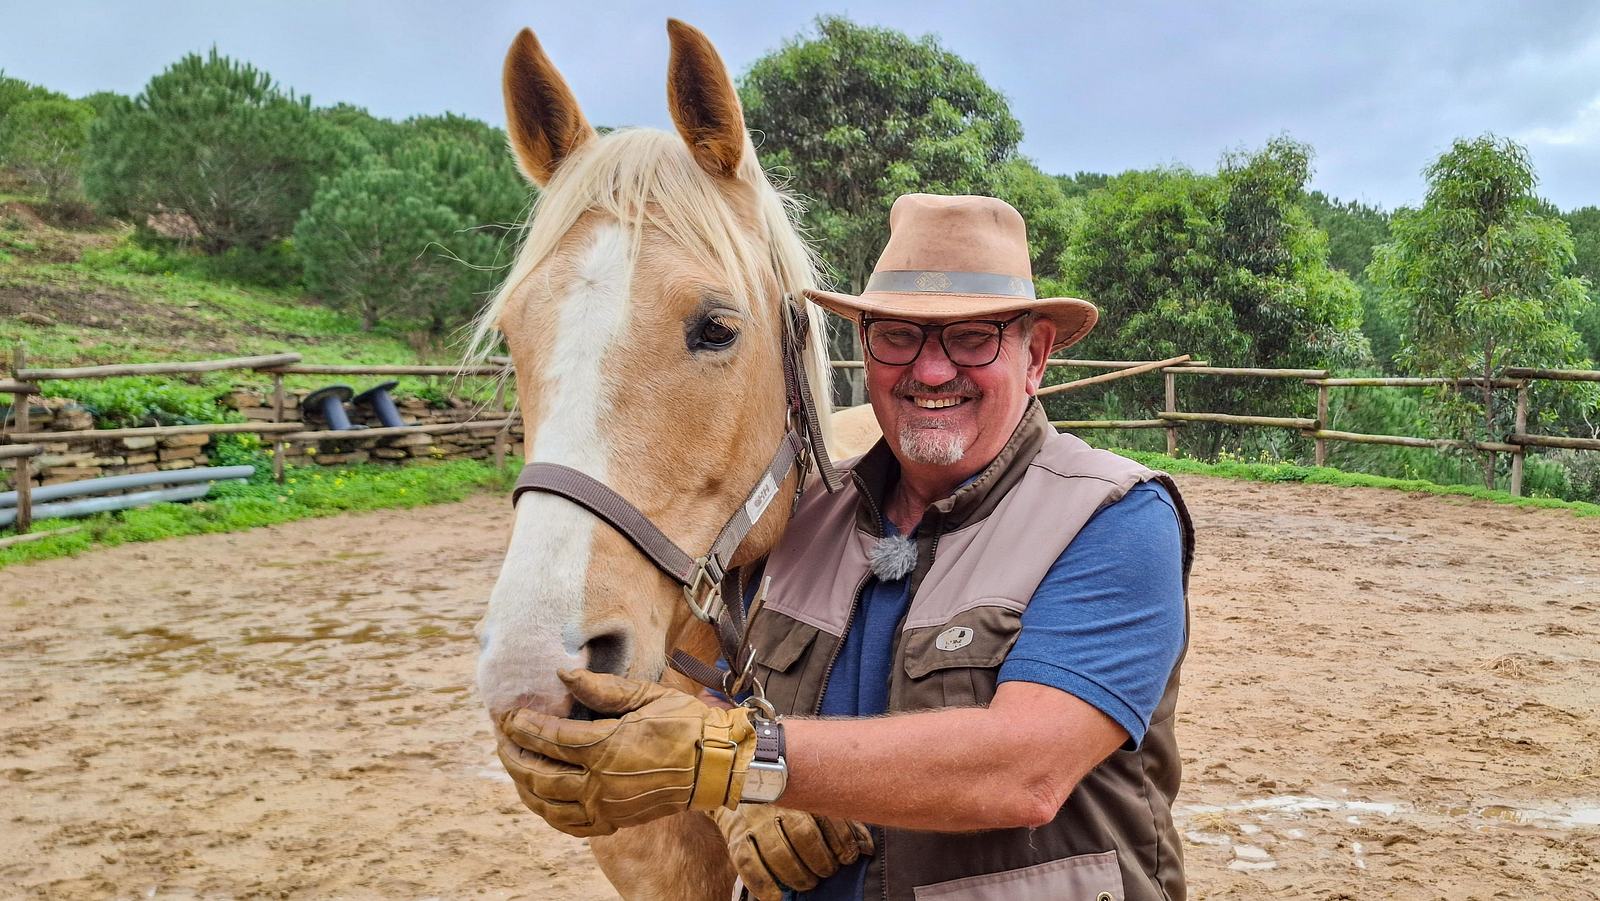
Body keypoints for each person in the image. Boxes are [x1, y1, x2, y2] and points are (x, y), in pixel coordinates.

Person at [497, 194, 1194, 901]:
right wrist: (731, 796)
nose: (929, 370)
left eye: (972, 337)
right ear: (865, 350)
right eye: (899, 335)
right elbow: (703, 679)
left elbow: (1023, 768)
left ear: (1035, 354)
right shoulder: (801, 519)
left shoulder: (1114, 519)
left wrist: (740, 762)